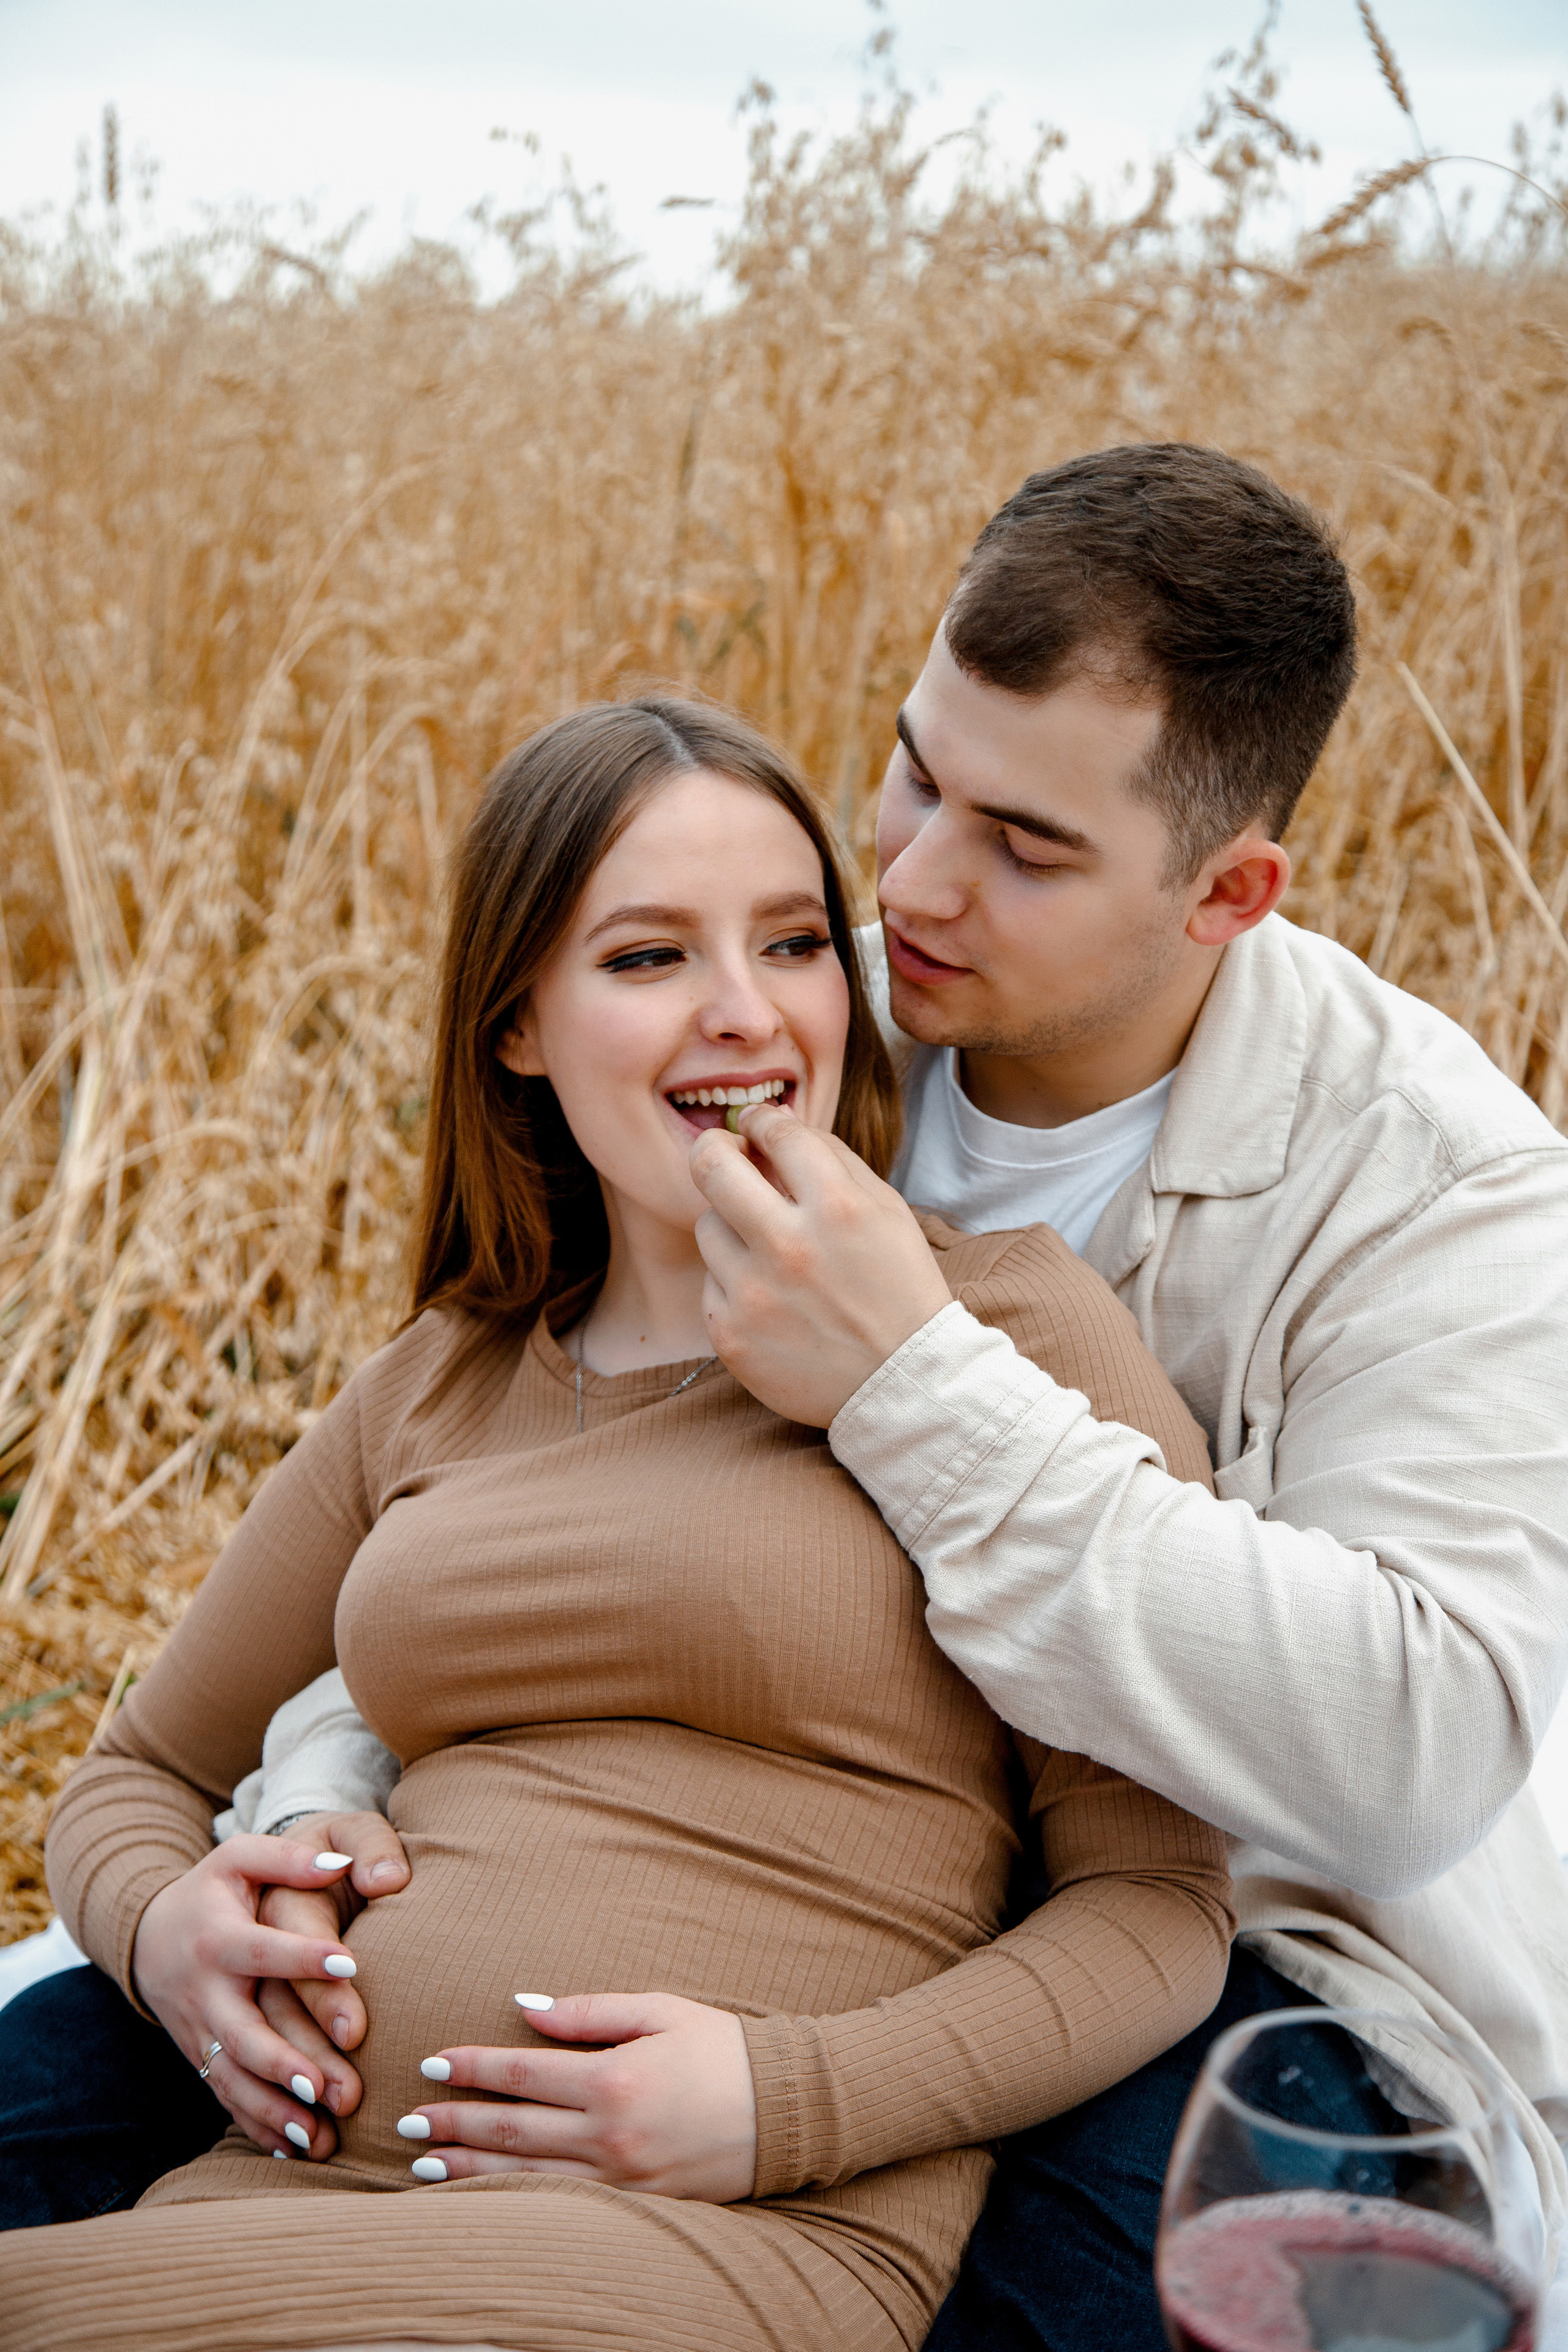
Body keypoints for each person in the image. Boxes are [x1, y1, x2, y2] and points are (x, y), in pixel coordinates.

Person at [8, 439, 1567, 2342]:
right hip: (494, 2015)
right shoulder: (800, 1042)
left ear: (1227, 894)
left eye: (1026, 843)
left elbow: (1400, 1762)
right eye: (919, 769)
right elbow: (514, 1499)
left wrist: (908, 1379)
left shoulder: (1433, 1187)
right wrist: (322, 1817)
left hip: (1254, 1956)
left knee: (1093, 2277)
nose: (909, 877)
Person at [0, 696, 1234, 2352]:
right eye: (649, 960)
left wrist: (785, 2098)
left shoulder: (1001, 1337)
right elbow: (133, 1776)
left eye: (795, 943)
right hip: (276, 2203)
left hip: (698, 2248)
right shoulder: (439, 1381)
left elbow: (1160, 1904)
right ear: (518, 1021)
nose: (749, 1015)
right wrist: (171, 1932)